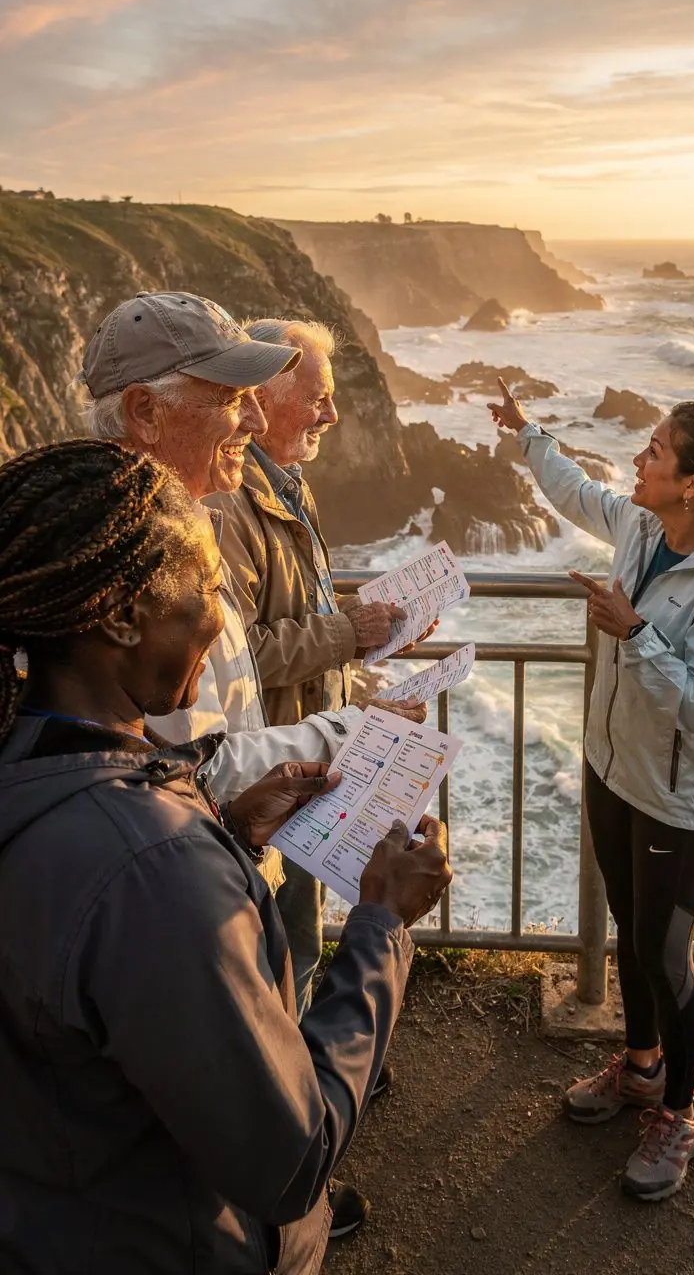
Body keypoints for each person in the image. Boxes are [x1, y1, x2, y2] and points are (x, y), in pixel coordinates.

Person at [0, 438, 452, 1275]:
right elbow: (292, 1157)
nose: (223, 622)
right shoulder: (151, 869)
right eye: (210, 589)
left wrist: (230, 835)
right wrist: (382, 925)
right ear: (119, 617)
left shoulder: (36, 766)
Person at [78, 289, 425, 1234]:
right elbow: (191, 757)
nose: (250, 420)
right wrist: (355, 733)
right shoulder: (133, 567)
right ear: (145, 413)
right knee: (232, 1082)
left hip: (217, 846)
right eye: (228, 398)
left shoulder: (170, 527)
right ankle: (269, 1213)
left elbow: (200, 746)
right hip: (184, 881)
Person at [488, 379, 694, 1202]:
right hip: (612, 769)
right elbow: (578, 492)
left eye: (654, 450)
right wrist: (527, 432)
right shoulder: (644, 525)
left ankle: (681, 1114)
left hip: (678, 801)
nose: (638, 457)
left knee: (665, 955)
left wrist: (636, 632)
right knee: (632, 933)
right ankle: (641, 1067)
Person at [208, 315, 430, 1024]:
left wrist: (363, 633)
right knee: (282, 945)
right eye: (317, 398)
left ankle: (302, 1056)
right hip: (269, 770)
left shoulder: (286, 484)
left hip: (303, 757)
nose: (332, 415)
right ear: (261, 398)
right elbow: (241, 654)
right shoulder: (229, 504)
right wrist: (345, 633)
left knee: (298, 936)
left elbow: (297, 612)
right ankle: (299, 1072)